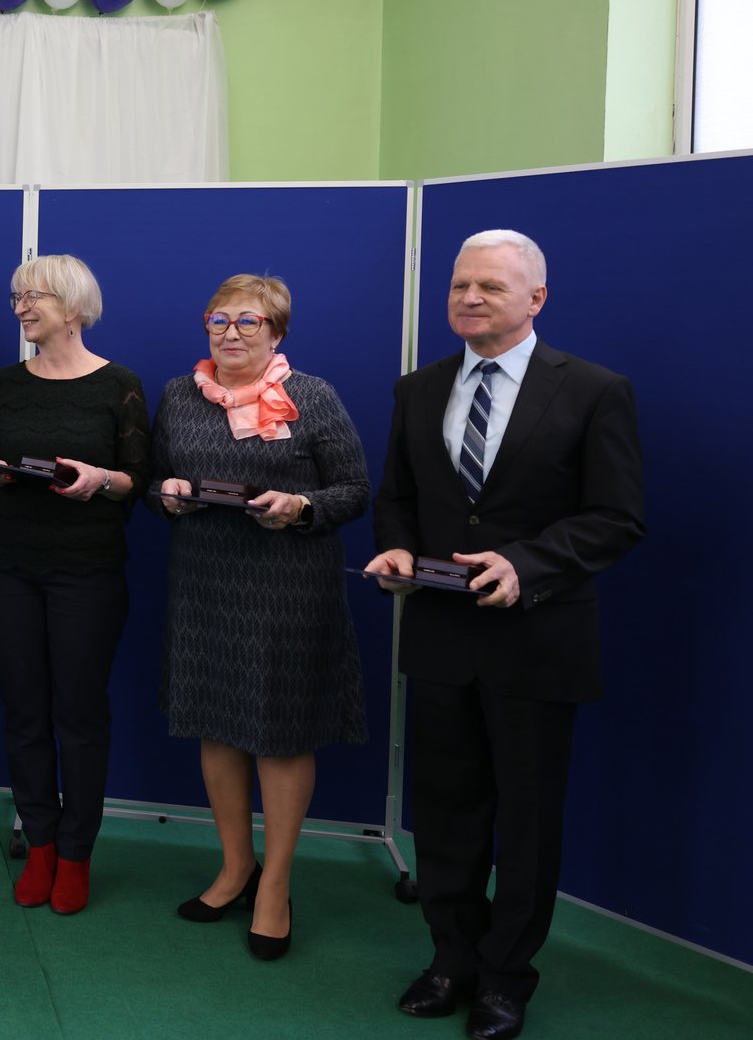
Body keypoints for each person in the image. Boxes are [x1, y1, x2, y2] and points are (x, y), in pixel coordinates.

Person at [368, 230, 644, 1040]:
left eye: (490, 285)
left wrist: (526, 563)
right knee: (444, 813)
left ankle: (505, 978)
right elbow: (397, 499)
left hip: (537, 641)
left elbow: (618, 517)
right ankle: (451, 958)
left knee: (526, 818)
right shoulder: (418, 388)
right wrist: (397, 549)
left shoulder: (594, 391)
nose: (469, 297)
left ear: (536, 299)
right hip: (440, 640)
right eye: (460, 284)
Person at [151, 274, 370, 961]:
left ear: (277, 332)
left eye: (249, 322)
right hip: (205, 581)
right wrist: (169, 493)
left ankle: (275, 885)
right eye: (219, 320)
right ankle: (235, 867)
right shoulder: (178, 395)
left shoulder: (311, 396)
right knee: (216, 722)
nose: (232, 333)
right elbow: (157, 478)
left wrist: (300, 507)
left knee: (280, 732)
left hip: (287, 587)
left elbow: (354, 490)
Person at [0, 254, 149, 915]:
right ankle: (40, 844)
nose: (20, 307)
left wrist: (99, 480)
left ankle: (76, 853)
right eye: (16, 296)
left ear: (73, 307)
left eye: (34, 296)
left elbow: (138, 479)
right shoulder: (4, 383)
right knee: (23, 712)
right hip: (7, 565)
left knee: (78, 716)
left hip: (86, 571)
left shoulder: (118, 385)